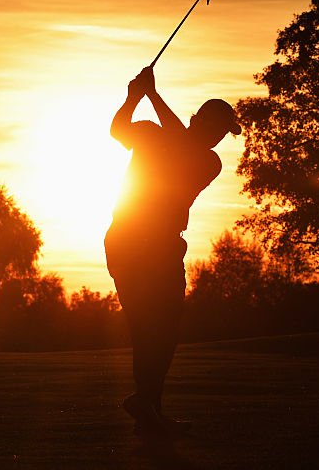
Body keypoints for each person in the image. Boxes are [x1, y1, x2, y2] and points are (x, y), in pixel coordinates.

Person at [105, 66, 241, 437]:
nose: (217, 139)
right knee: (151, 329)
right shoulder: (155, 135)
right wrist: (136, 96)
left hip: (156, 244)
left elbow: (181, 145)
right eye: (215, 129)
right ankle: (148, 406)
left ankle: (149, 411)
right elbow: (118, 130)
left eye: (221, 134)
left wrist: (150, 93)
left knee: (158, 331)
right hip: (136, 241)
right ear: (197, 120)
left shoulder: (207, 162)